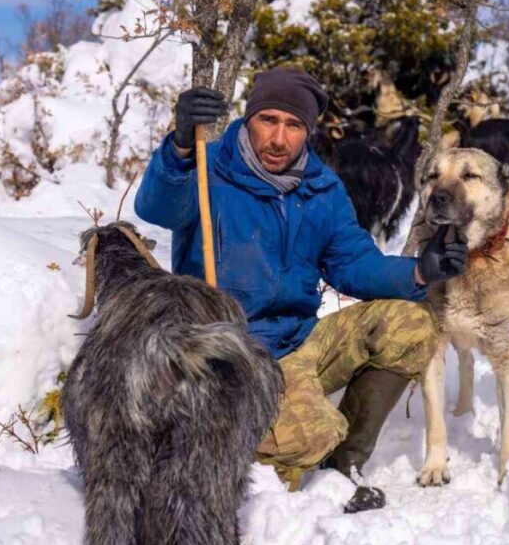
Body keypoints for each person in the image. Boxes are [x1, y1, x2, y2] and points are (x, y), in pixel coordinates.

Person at [134, 67, 468, 512]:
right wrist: (178, 145)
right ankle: (261, 471)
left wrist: (420, 272)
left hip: (299, 342)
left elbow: (354, 264)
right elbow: (156, 207)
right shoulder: (207, 167)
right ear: (248, 118)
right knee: (312, 433)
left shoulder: (320, 188)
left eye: (294, 126)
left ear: (308, 132)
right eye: (268, 120)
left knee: (411, 323)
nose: (279, 138)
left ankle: (342, 467)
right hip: (228, 355)